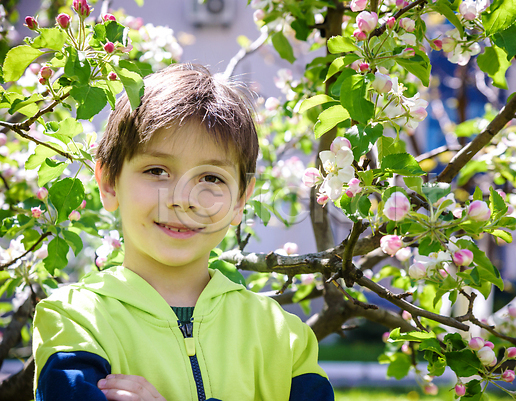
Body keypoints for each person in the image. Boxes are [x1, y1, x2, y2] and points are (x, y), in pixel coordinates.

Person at [32, 63, 334, 401]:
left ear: (240, 200)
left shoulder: (284, 336)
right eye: (157, 170)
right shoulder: (75, 320)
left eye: (211, 178)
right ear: (109, 183)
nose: (182, 199)